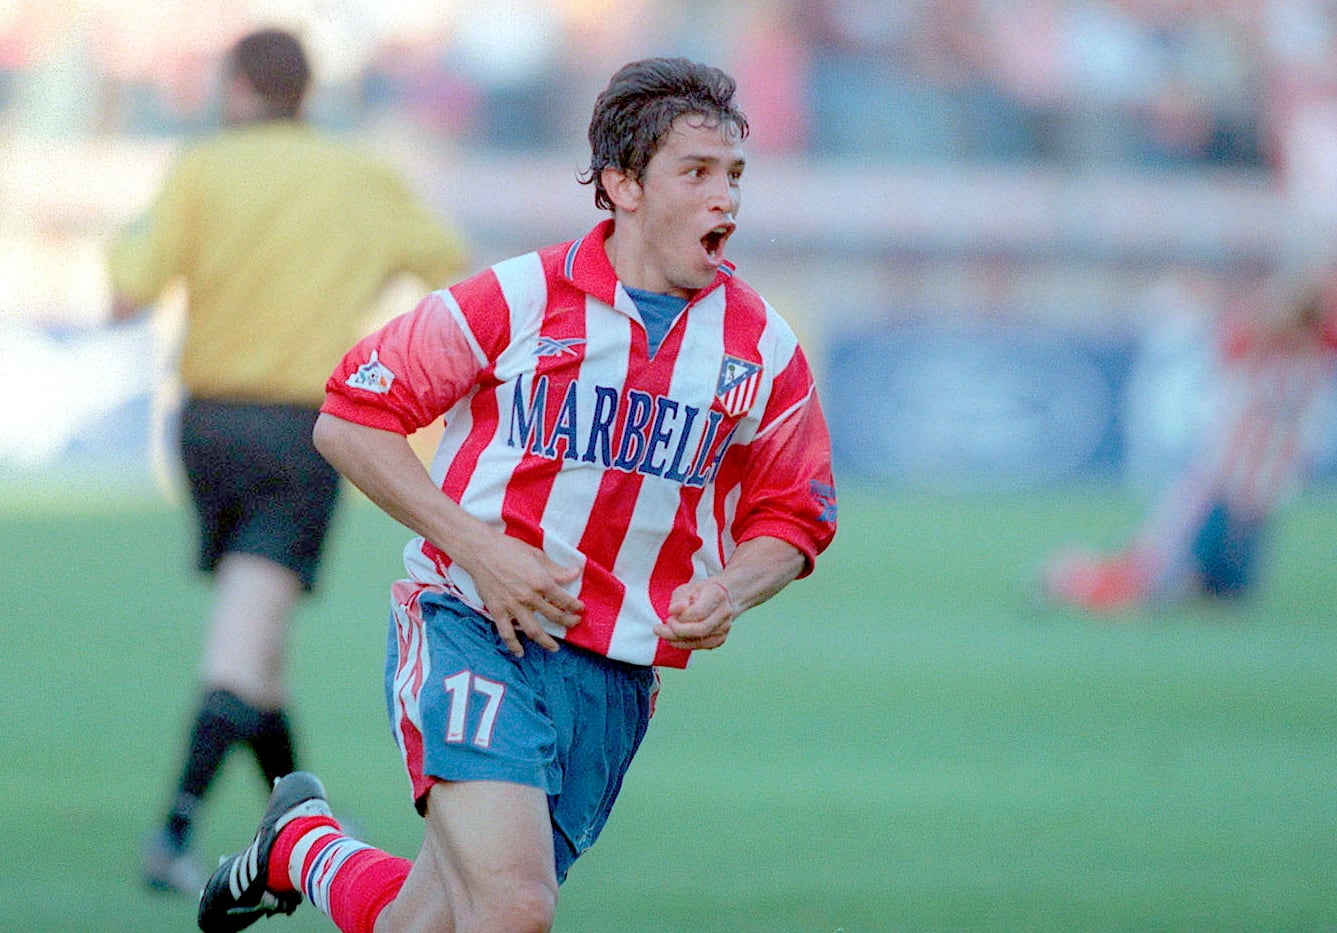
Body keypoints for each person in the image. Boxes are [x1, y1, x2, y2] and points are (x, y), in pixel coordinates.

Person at [196, 56, 838, 933]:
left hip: (612, 672)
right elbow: (349, 417)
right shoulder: (518, 297)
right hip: (470, 622)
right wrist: (478, 547)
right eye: (695, 172)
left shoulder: (760, 345)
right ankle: (303, 843)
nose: (724, 197)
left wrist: (729, 586)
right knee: (514, 907)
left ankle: (299, 846)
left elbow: (796, 511)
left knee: (434, 918)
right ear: (622, 185)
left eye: (733, 175)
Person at [106, 28, 469, 895]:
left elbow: (128, 291)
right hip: (298, 431)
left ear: (237, 88)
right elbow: (453, 278)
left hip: (202, 428)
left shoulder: (202, 168)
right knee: (243, 641)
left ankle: (309, 820)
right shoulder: (357, 176)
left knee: (260, 647)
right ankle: (174, 829)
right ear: (305, 93)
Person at [1042, 261, 1337, 613]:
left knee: (1223, 591)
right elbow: (1264, 320)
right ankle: (1074, 578)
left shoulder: (1313, 351)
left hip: (1259, 490)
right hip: (1223, 480)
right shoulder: (1252, 343)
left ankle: (1083, 577)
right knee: (1159, 572)